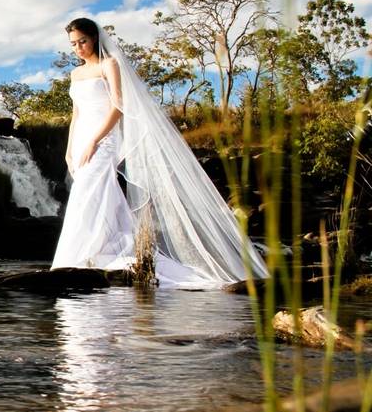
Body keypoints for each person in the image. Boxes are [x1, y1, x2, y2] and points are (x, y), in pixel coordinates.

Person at [50, 17, 269, 287]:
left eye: (82, 41)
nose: (78, 48)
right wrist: (69, 151)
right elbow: (77, 114)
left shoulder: (110, 65)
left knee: (87, 194)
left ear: (94, 38)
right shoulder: (75, 74)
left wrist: (95, 141)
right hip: (81, 140)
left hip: (103, 139)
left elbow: (118, 106)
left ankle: (80, 258)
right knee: (97, 195)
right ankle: (95, 254)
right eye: (73, 44)